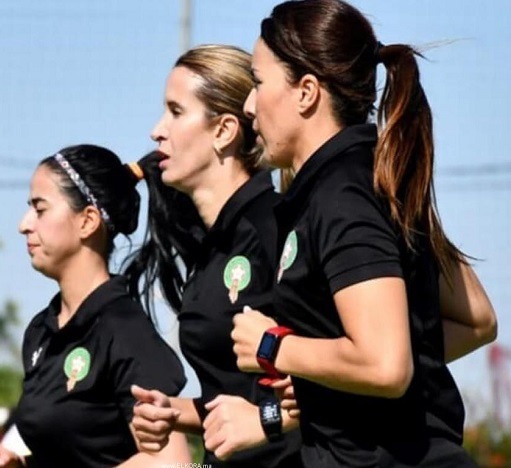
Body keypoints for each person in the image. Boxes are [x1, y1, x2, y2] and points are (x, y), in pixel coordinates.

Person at [221, 1, 498, 466]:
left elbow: (386, 365)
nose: (249, 105)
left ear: (306, 92)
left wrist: (273, 347)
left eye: (257, 82)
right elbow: (474, 321)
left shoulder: (343, 196)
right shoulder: (369, 179)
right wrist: (323, 378)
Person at [124, 45, 302, 467]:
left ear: (224, 131)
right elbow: (239, 399)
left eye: (176, 112)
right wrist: (173, 412)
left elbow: (345, 375)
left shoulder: (277, 227)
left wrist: (268, 420)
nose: (156, 131)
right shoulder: (212, 246)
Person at [0, 144, 191, 467]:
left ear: (88, 221)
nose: (24, 224)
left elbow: (173, 464)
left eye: (40, 209)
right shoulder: (41, 331)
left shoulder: (125, 332)